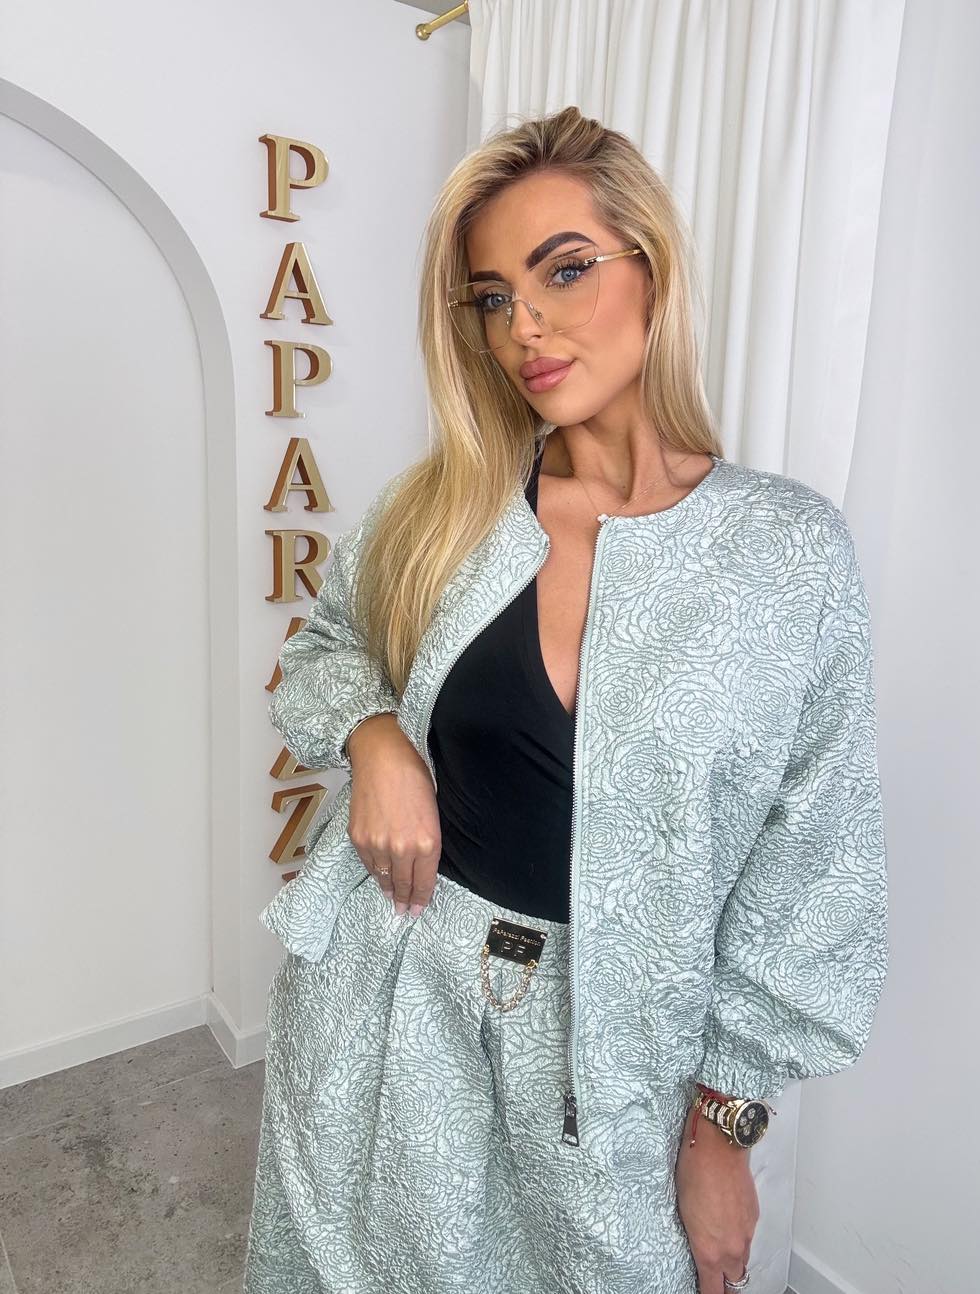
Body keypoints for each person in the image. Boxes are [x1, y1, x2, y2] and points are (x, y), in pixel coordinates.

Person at [243, 105, 889, 1294]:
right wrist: (375, 736)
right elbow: (325, 647)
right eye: (494, 297)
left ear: (654, 267)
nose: (525, 326)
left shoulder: (786, 556)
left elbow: (814, 870)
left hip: (617, 1059)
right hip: (395, 996)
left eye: (565, 270)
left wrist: (724, 1130)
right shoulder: (442, 511)